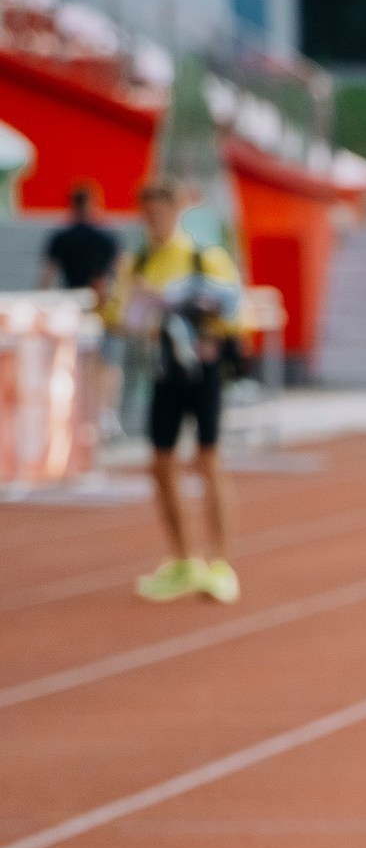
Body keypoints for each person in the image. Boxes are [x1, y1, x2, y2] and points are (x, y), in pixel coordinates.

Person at [110, 182, 243, 603]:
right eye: (148, 215)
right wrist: (136, 309)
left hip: (203, 373)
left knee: (208, 460)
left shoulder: (205, 258)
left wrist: (203, 317)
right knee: (161, 465)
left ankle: (220, 563)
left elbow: (237, 313)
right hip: (163, 373)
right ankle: (185, 560)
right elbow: (121, 317)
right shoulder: (138, 262)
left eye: (161, 213)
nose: (155, 221)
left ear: (175, 212)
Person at [40, 180, 124, 439]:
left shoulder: (61, 237)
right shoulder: (105, 237)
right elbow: (117, 274)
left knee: (80, 361)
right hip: (99, 307)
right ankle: (104, 413)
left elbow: (47, 276)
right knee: (105, 361)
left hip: (73, 307)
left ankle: (86, 413)